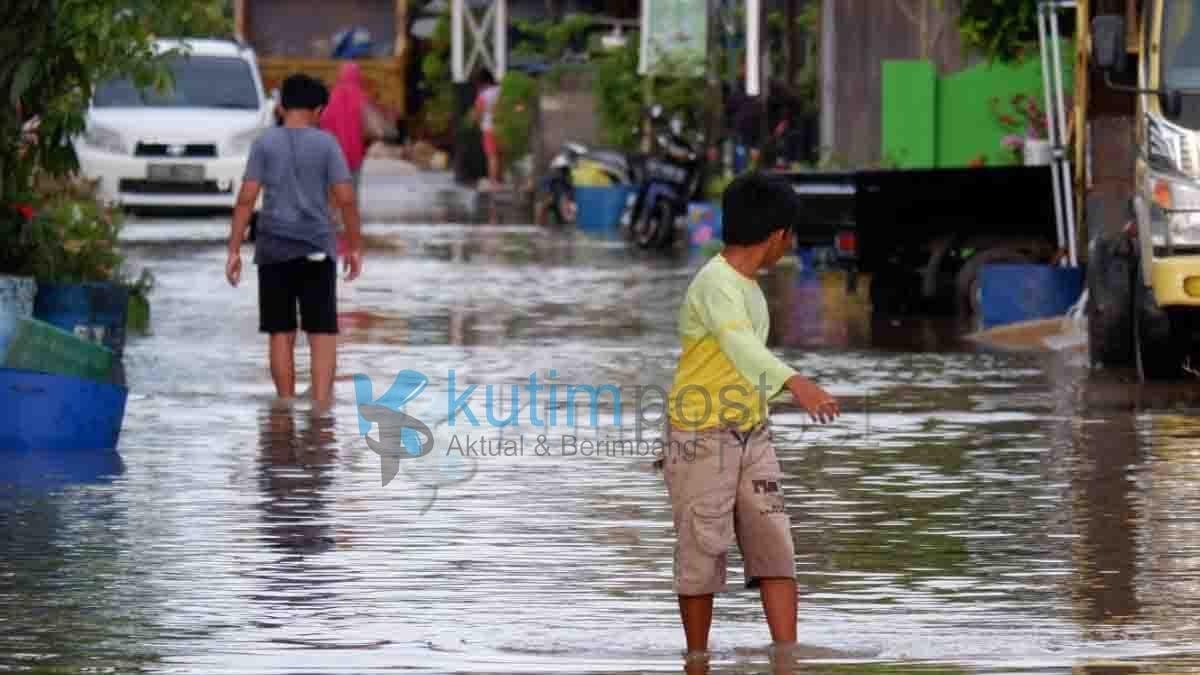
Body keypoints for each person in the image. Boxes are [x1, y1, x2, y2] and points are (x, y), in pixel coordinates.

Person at [662, 172, 840, 660]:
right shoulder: (715, 284)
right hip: (701, 434)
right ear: (778, 235)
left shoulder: (750, 288)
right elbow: (740, 346)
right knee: (702, 550)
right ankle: (696, 661)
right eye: (791, 234)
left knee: (775, 547)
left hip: (752, 434)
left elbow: (746, 361)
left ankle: (787, 657)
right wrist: (796, 382)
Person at [226, 74, 364, 409]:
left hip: (273, 249)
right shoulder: (327, 144)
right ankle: (321, 408)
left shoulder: (264, 144)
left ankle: (284, 405)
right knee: (322, 332)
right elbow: (346, 198)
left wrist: (233, 250)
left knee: (280, 331)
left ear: (281, 106)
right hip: (317, 248)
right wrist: (354, 246)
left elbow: (246, 199)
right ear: (318, 110)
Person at [320, 63, 372, 195]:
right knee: (352, 190)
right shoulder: (362, 97)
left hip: (334, 154)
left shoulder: (332, 97)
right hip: (355, 153)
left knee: (333, 192)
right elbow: (368, 127)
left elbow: (323, 122)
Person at [472, 69, 502, 189]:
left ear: (481, 82)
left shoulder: (484, 95)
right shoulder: (501, 90)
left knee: (492, 156)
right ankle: (501, 180)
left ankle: (493, 182)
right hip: (503, 127)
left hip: (489, 128)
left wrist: (476, 120)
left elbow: (477, 113)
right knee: (501, 155)